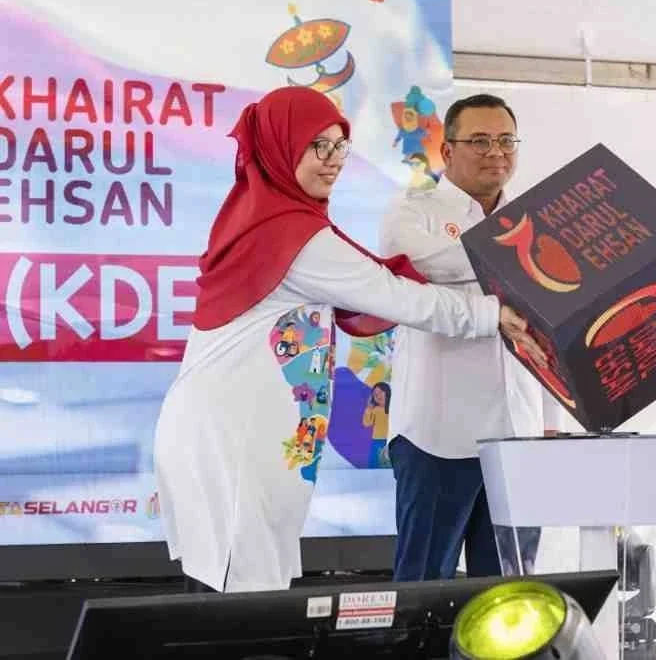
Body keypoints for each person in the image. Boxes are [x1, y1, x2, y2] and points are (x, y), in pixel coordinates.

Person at [153, 86, 545, 594]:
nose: (334, 160)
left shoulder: (275, 220)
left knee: (244, 587)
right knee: (240, 597)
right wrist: (493, 312)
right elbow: (397, 294)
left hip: (246, 434)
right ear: (280, 146)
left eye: (341, 146)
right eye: (318, 146)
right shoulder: (292, 235)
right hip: (235, 437)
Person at [379, 93, 560, 581]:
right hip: (437, 432)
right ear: (447, 151)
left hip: (520, 431)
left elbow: (552, 322)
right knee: (423, 585)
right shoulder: (411, 209)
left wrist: (551, 419)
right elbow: (423, 268)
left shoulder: (533, 216)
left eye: (505, 140)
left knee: (510, 589)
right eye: (479, 140)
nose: (495, 152)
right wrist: (521, 259)